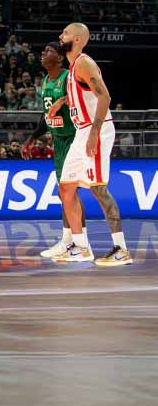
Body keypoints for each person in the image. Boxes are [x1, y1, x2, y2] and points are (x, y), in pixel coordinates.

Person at [53, 23, 131, 266]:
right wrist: (64, 101)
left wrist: (95, 132)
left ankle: (121, 248)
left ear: (76, 39)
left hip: (95, 129)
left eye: (64, 33)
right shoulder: (74, 67)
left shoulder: (84, 62)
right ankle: (81, 246)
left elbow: (104, 95)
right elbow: (83, 94)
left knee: (98, 187)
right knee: (66, 187)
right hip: (81, 130)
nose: (60, 36)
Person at [22, 42, 85, 258]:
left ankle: (76, 242)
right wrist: (31, 138)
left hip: (74, 138)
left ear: (59, 58)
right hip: (58, 140)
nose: (42, 53)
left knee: (69, 193)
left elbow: (85, 97)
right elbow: (47, 116)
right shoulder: (47, 81)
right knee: (66, 194)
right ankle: (71, 241)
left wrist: (65, 99)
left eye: (48, 51)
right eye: (42, 50)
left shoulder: (69, 77)